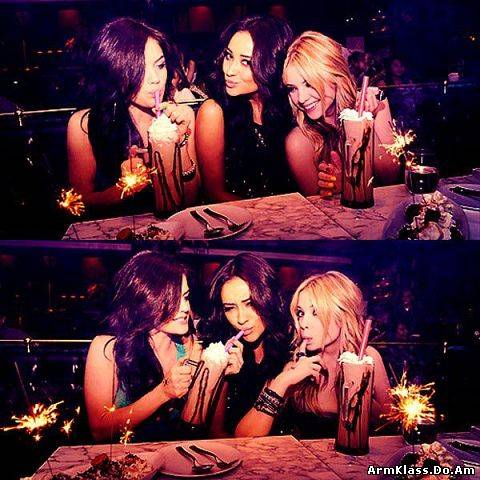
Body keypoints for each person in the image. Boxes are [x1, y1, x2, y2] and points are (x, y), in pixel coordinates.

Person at [84, 251, 243, 442]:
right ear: (146, 299)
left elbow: (207, 432)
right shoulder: (107, 349)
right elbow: (99, 431)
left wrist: (220, 377)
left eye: (185, 297)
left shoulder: (194, 348)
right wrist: (163, 393)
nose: (185, 308)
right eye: (173, 299)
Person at [67, 18, 200, 216]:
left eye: (160, 65)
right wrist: (125, 188)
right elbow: (77, 205)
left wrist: (181, 145)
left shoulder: (181, 116)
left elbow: (191, 200)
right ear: (115, 71)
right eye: (140, 69)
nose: (155, 79)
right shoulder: (84, 125)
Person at [236, 271, 391, 438]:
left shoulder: (368, 359)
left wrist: (363, 402)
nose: (303, 323)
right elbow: (243, 438)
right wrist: (282, 382)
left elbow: (393, 428)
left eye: (315, 313)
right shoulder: (294, 365)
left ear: (342, 314)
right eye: (300, 313)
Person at [282, 31, 400, 197]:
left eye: (308, 83)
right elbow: (315, 209)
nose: (301, 98)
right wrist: (335, 191)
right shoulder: (298, 142)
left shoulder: (374, 103)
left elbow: (391, 179)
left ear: (334, 74)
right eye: (292, 88)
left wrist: (365, 123)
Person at [195, 15, 295, 202]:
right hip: (236, 218)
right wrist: (269, 215)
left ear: (271, 65)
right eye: (229, 56)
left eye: (246, 62)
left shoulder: (292, 107)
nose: (229, 70)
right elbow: (214, 193)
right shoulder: (213, 111)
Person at [198, 253, 294, 437]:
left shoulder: (292, 350)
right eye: (230, 308)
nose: (241, 319)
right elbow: (215, 432)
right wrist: (222, 376)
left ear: (268, 298)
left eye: (250, 304)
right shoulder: (225, 349)